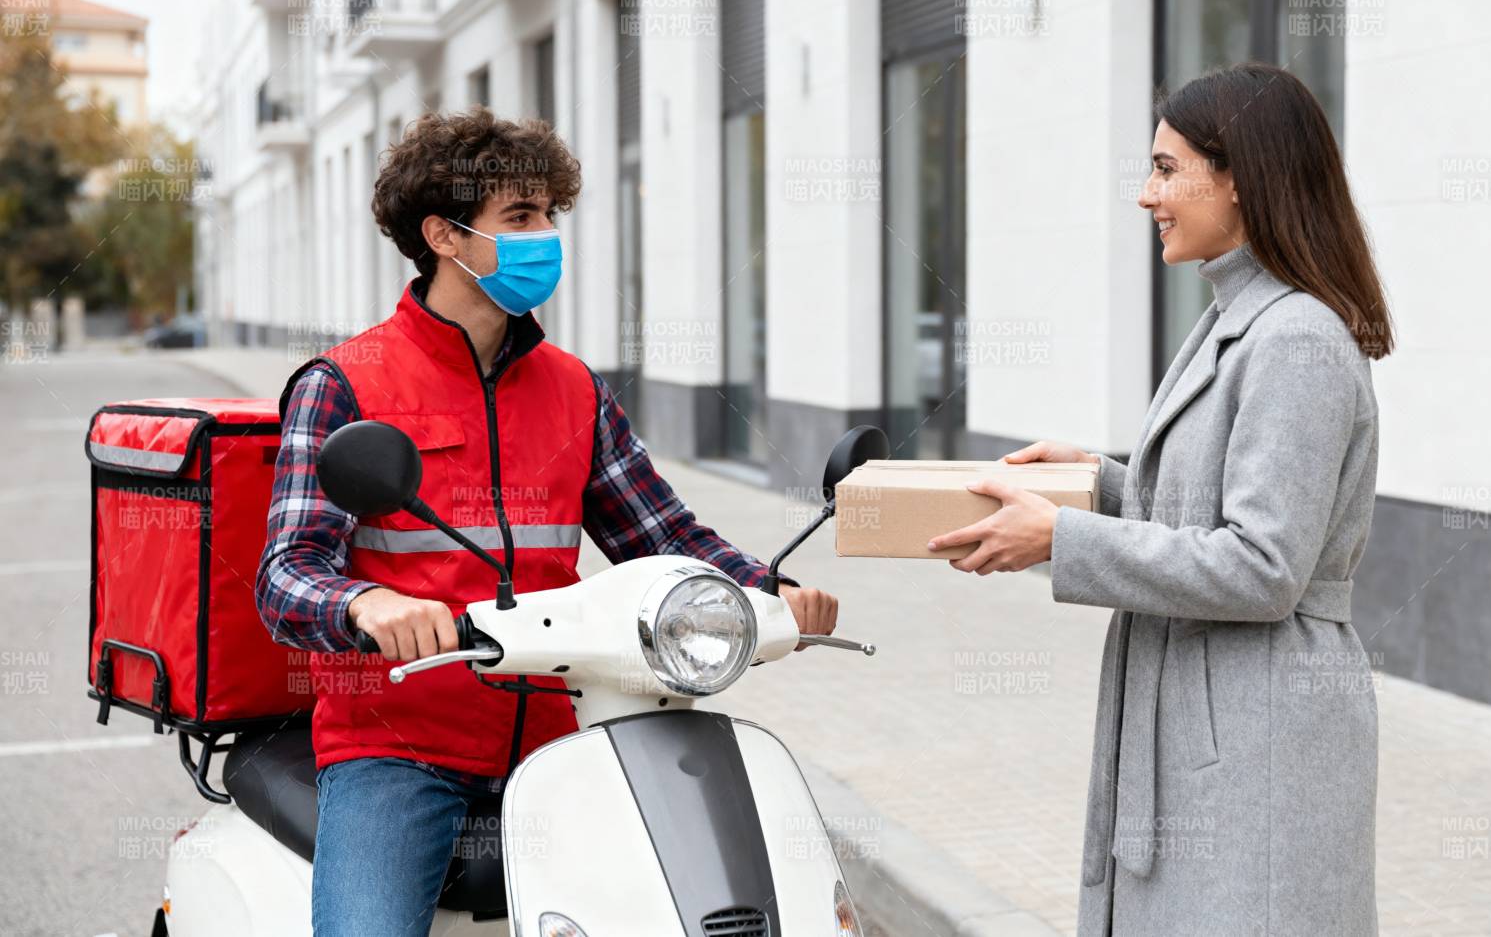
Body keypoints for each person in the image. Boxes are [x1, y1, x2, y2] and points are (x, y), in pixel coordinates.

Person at [255, 107, 840, 937]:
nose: (545, 237)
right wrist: (365, 606)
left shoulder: (574, 388)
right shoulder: (344, 382)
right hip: (398, 747)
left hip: (560, 731)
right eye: (520, 218)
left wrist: (764, 585)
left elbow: (660, 532)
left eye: (549, 215)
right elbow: (284, 575)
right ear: (445, 236)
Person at [929, 63, 1392, 935]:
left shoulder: (1295, 337)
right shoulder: (1237, 313)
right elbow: (1208, 503)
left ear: (1240, 180)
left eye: (1167, 168)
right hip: (1215, 720)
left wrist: (1063, 538)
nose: (1148, 195)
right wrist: (1102, 479)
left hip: (1259, 736)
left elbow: (1263, 565)